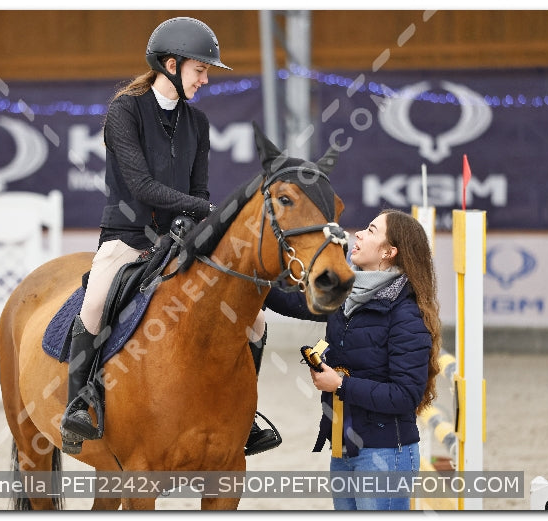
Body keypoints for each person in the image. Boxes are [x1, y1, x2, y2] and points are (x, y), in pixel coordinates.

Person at [60, 16, 279, 457]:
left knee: (254, 321)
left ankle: (243, 414)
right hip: (127, 237)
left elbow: (199, 192)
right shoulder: (124, 111)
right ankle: (80, 405)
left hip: (179, 238)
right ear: (171, 64)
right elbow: (141, 186)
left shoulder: (198, 124)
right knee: (96, 305)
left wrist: (200, 220)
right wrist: (207, 212)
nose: (204, 80)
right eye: (200, 71)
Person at [265, 209, 442, 510]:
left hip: (386, 455)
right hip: (344, 446)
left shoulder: (407, 314)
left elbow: (404, 396)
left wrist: (340, 385)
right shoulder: (344, 293)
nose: (358, 234)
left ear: (389, 251)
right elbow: (288, 300)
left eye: (371, 230)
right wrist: (250, 270)